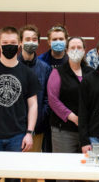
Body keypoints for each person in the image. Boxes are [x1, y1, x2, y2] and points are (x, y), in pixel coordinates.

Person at [0, 26, 40, 182]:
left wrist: (29, 133)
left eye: (13, 42)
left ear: (20, 44)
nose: (9, 45)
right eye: (5, 42)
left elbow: (33, 105)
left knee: (13, 180)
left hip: (17, 136)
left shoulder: (28, 73)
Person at [47, 37, 93, 154]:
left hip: (88, 131)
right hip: (63, 130)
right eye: (72, 48)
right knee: (63, 167)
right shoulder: (58, 72)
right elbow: (53, 100)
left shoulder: (91, 73)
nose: (76, 50)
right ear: (67, 51)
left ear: (84, 51)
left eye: (79, 47)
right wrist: (73, 117)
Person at [18, 25, 52, 153]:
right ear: (20, 42)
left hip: (36, 130)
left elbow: (48, 99)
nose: (30, 42)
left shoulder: (45, 68)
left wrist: (39, 120)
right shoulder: (12, 65)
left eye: (34, 39)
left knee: (32, 168)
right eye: (27, 39)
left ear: (38, 42)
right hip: (14, 130)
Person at [38, 24, 69, 153]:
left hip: (65, 113)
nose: (58, 42)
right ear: (49, 42)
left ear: (66, 40)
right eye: (54, 39)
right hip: (46, 114)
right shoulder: (41, 61)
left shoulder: (71, 60)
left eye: (61, 39)